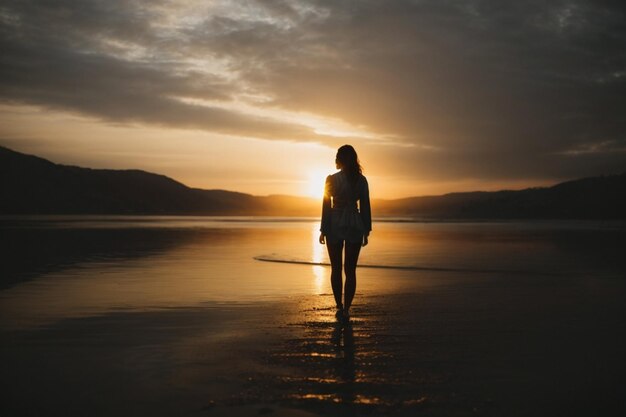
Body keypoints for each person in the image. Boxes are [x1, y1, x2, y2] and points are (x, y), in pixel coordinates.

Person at [319, 144, 371, 321]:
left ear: (340, 159)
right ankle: (346, 308)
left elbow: (326, 205)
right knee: (350, 270)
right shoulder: (361, 180)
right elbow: (365, 208)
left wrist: (323, 229)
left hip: (334, 222)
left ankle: (340, 307)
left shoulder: (331, 179)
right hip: (355, 224)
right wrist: (366, 230)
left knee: (336, 268)